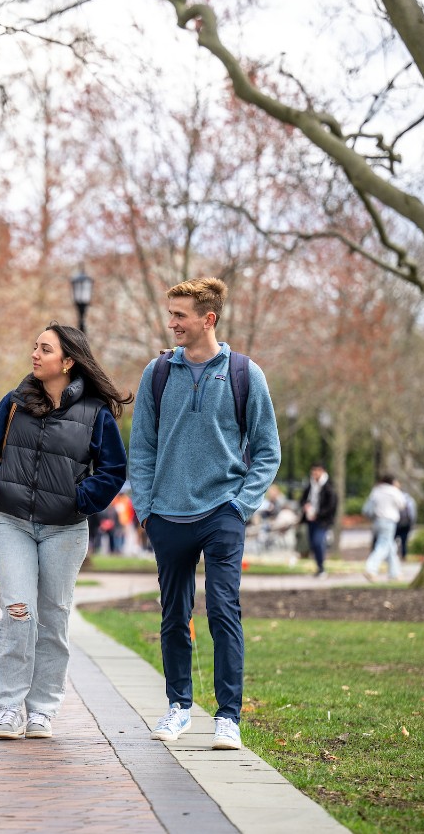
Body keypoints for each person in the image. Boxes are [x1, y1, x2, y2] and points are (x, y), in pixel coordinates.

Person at [128, 277, 280, 752]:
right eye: (171, 313)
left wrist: (241, 505)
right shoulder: (157, 374)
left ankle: (228, 717)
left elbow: (267, 451)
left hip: (222, 512)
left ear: (207, 319)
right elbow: (142, 449)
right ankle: (178, 706)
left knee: (222, 610)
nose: (172, 322)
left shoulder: (243, 373)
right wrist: (146, 510)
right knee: (173, 614)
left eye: (180, 315)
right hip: (167, 515)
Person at [0, 322, 130, 740]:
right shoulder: (14, 402)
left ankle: (41, 710)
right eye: (34, 347)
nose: (35, 355)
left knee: (54, 619)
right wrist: (3, 481)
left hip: (66, 530)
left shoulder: (94, 413)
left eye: (45, 349)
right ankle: (9, 709)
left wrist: (80, 500)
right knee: (17, 612)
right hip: (13, 524)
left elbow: (113, 470)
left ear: (68, 361)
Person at [299, 463, 339, 577]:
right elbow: (302, 499)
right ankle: (319, 567)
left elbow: (331, 505)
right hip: (310, 519)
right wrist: (305, 506)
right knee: (312, 544)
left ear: (322, 472)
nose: (314, 474)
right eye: (313, 471)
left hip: (322, 520)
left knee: (318, 542)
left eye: (317, 471)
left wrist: (318, 514)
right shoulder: (310, 485)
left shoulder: (328, 486)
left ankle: (322, 568)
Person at [363, 475, 404, 581]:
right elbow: (402, 504)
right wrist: (397, 489)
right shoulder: (393, 491)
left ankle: (395, 573)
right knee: (383, 545)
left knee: (390, 546)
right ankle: (371, 569)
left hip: (377, 521)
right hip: (389, 521)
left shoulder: (376, 490)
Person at [394, 479, 417, 560]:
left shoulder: (394, 498)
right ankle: (404, 556)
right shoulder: (409, 499)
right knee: (404, 541)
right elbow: (412, 512)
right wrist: (412, 522)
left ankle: (392, 556)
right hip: (406, 523)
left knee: (392, 540)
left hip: (396, 522)